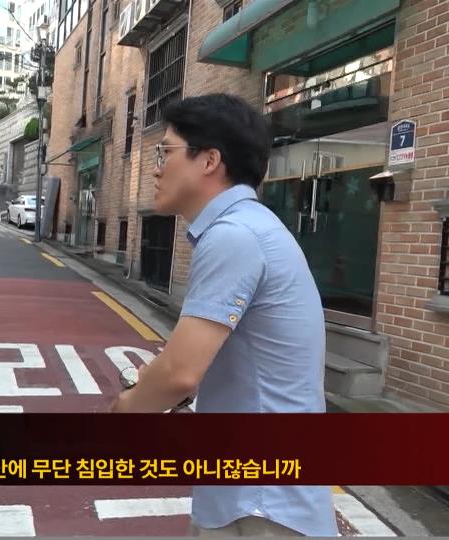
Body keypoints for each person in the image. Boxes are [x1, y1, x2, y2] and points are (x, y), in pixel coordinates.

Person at [109, 94, 338, 537]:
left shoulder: (235, 236)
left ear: (209, 160)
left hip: (261, 505)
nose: (157, 168)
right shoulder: (250, 227)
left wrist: (126, 411)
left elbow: (179, 374)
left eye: (166, 151)